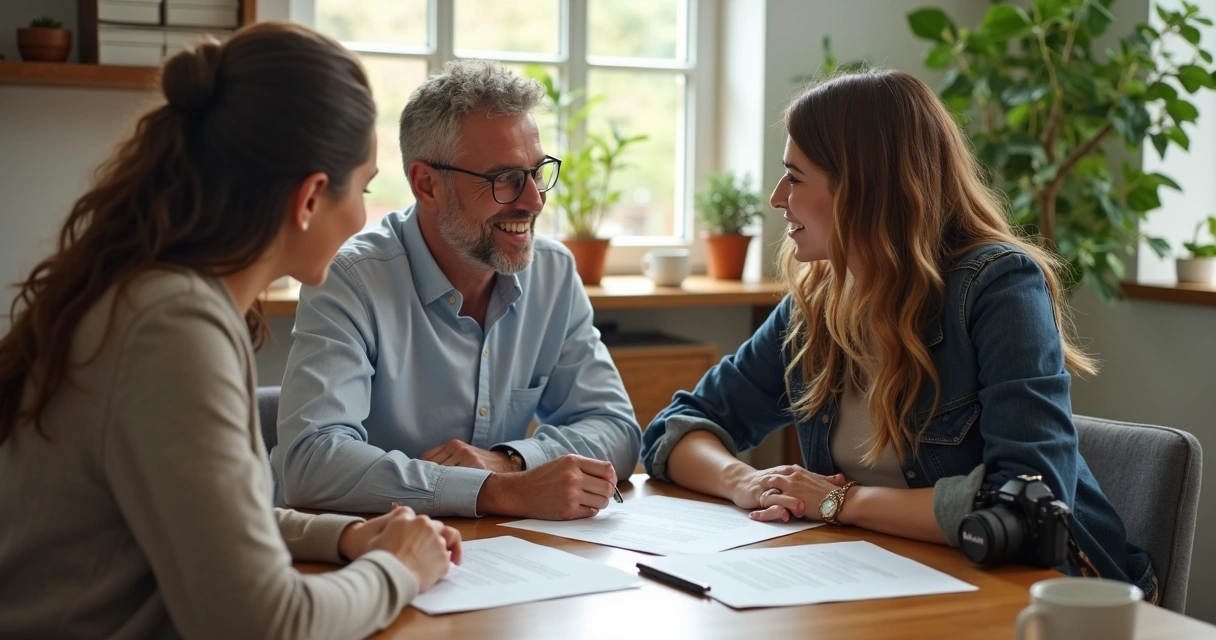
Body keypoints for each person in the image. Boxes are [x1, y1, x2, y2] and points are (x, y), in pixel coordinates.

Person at [0, 23, 461, 639]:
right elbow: (261, 624)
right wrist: (397, 568)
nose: (363, 217)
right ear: (309, 197)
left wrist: (345, 534)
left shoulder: (153, 292)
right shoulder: (174, 326)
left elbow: (202, 521)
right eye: (367, 188)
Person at [640, 69, 1155, 597]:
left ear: (862, 188)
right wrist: (745, 481)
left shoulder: (997, 287)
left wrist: (839, 501)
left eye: (794, 177)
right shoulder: (817, 304)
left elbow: (1026, 506)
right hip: (881, 578)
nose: (777, 198)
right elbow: (676, 429)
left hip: (1050, 593)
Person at [272, 60, 640, 521]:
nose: (534, 200)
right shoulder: (350, 279)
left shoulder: (553, 273)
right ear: (427, 185)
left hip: (500, 558)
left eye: (537, 172)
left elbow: (617, 429)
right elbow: (310, 464)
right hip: (375, 556)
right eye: (504, 179)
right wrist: (497, 490)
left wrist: (510, 461)